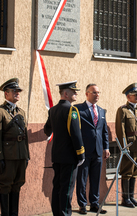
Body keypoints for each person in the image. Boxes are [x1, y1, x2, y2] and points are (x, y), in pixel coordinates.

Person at [44, 80, 85, 216]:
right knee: (67, 189)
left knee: (57, 188)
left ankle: (57, 213)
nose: (76, 94)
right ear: (66, 94)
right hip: (69, 157)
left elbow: (46, 130)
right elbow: (76, 135)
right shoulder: (72, 110)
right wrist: (81, 154)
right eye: (74, 92)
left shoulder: (53, 110)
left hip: (57, 155)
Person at [0, 78, 29, 216]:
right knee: (6, 185)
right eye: (14, 91)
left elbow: (25, 136)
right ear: (6, 93)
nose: (18, 93)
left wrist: (26, 156)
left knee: (18, 184)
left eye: (18, 91)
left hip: (20, 156)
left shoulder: (21, 112)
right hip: (8, 156)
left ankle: (14, 214)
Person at [75, 84, 110, 214]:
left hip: (98, 151)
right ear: (87, 94)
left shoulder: (101, 111)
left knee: (95, 179)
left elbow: (104, 131)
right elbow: (75, 130)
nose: (97, 95)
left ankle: (94, 204)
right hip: (84, 151)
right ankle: (82, 205)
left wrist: (106, 147)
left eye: (98, 93)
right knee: (82, 179)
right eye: (94, 92)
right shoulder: (78, 109)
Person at [115, 83, 137, 208]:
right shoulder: (122, 110)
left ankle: (131, 197)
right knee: (127, 172)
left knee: (135, 172)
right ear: (128, 97)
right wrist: (124, 147)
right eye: (135, 95)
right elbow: (120, 129)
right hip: (129, 146)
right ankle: (125, 198)